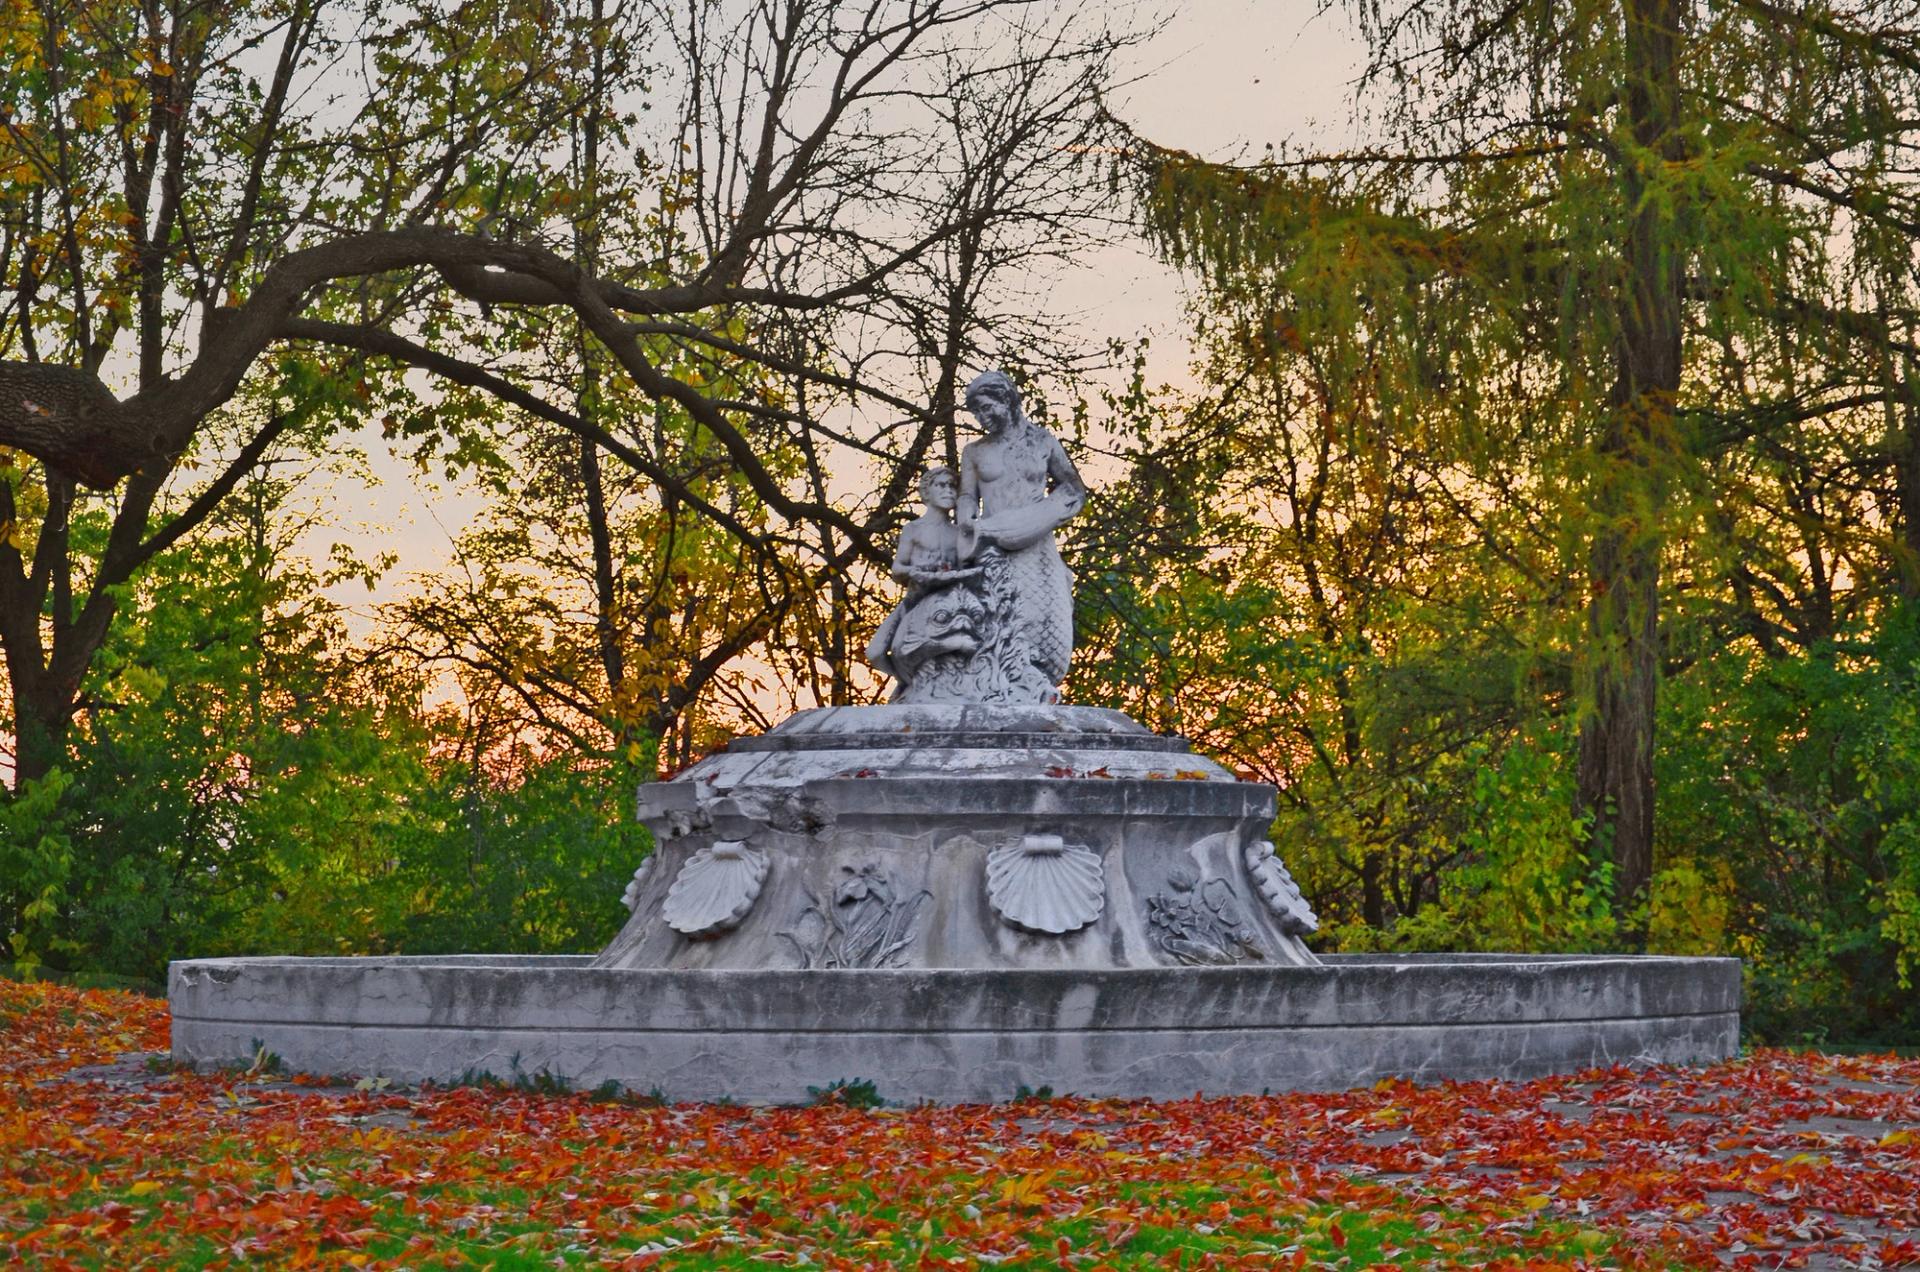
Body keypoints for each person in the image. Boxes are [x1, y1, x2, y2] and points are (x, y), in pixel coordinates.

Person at [954, 370, 1086, 702]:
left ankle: (1037, 687)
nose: (983, 419)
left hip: (1038, 547)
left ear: (1007, 400)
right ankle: (1004, 684)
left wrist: (1051, 512)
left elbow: (1073, 487)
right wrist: (966, 516)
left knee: (1046, 620)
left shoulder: (1042, 441)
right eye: (977, 413)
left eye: (987, 408)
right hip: (993, 549)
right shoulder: (975, 452)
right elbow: (967, 496)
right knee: (999, 621)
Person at [865, 466, 983, 695]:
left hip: (948, 603)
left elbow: (966, 569)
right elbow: (897, 568)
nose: (949, 491)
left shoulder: (959, 532)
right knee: (875, 653)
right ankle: (907, 681)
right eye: (941, 485)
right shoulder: (913, 529)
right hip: (917, 600)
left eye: (952, 486)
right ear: (926, 493)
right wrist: (917, 571)